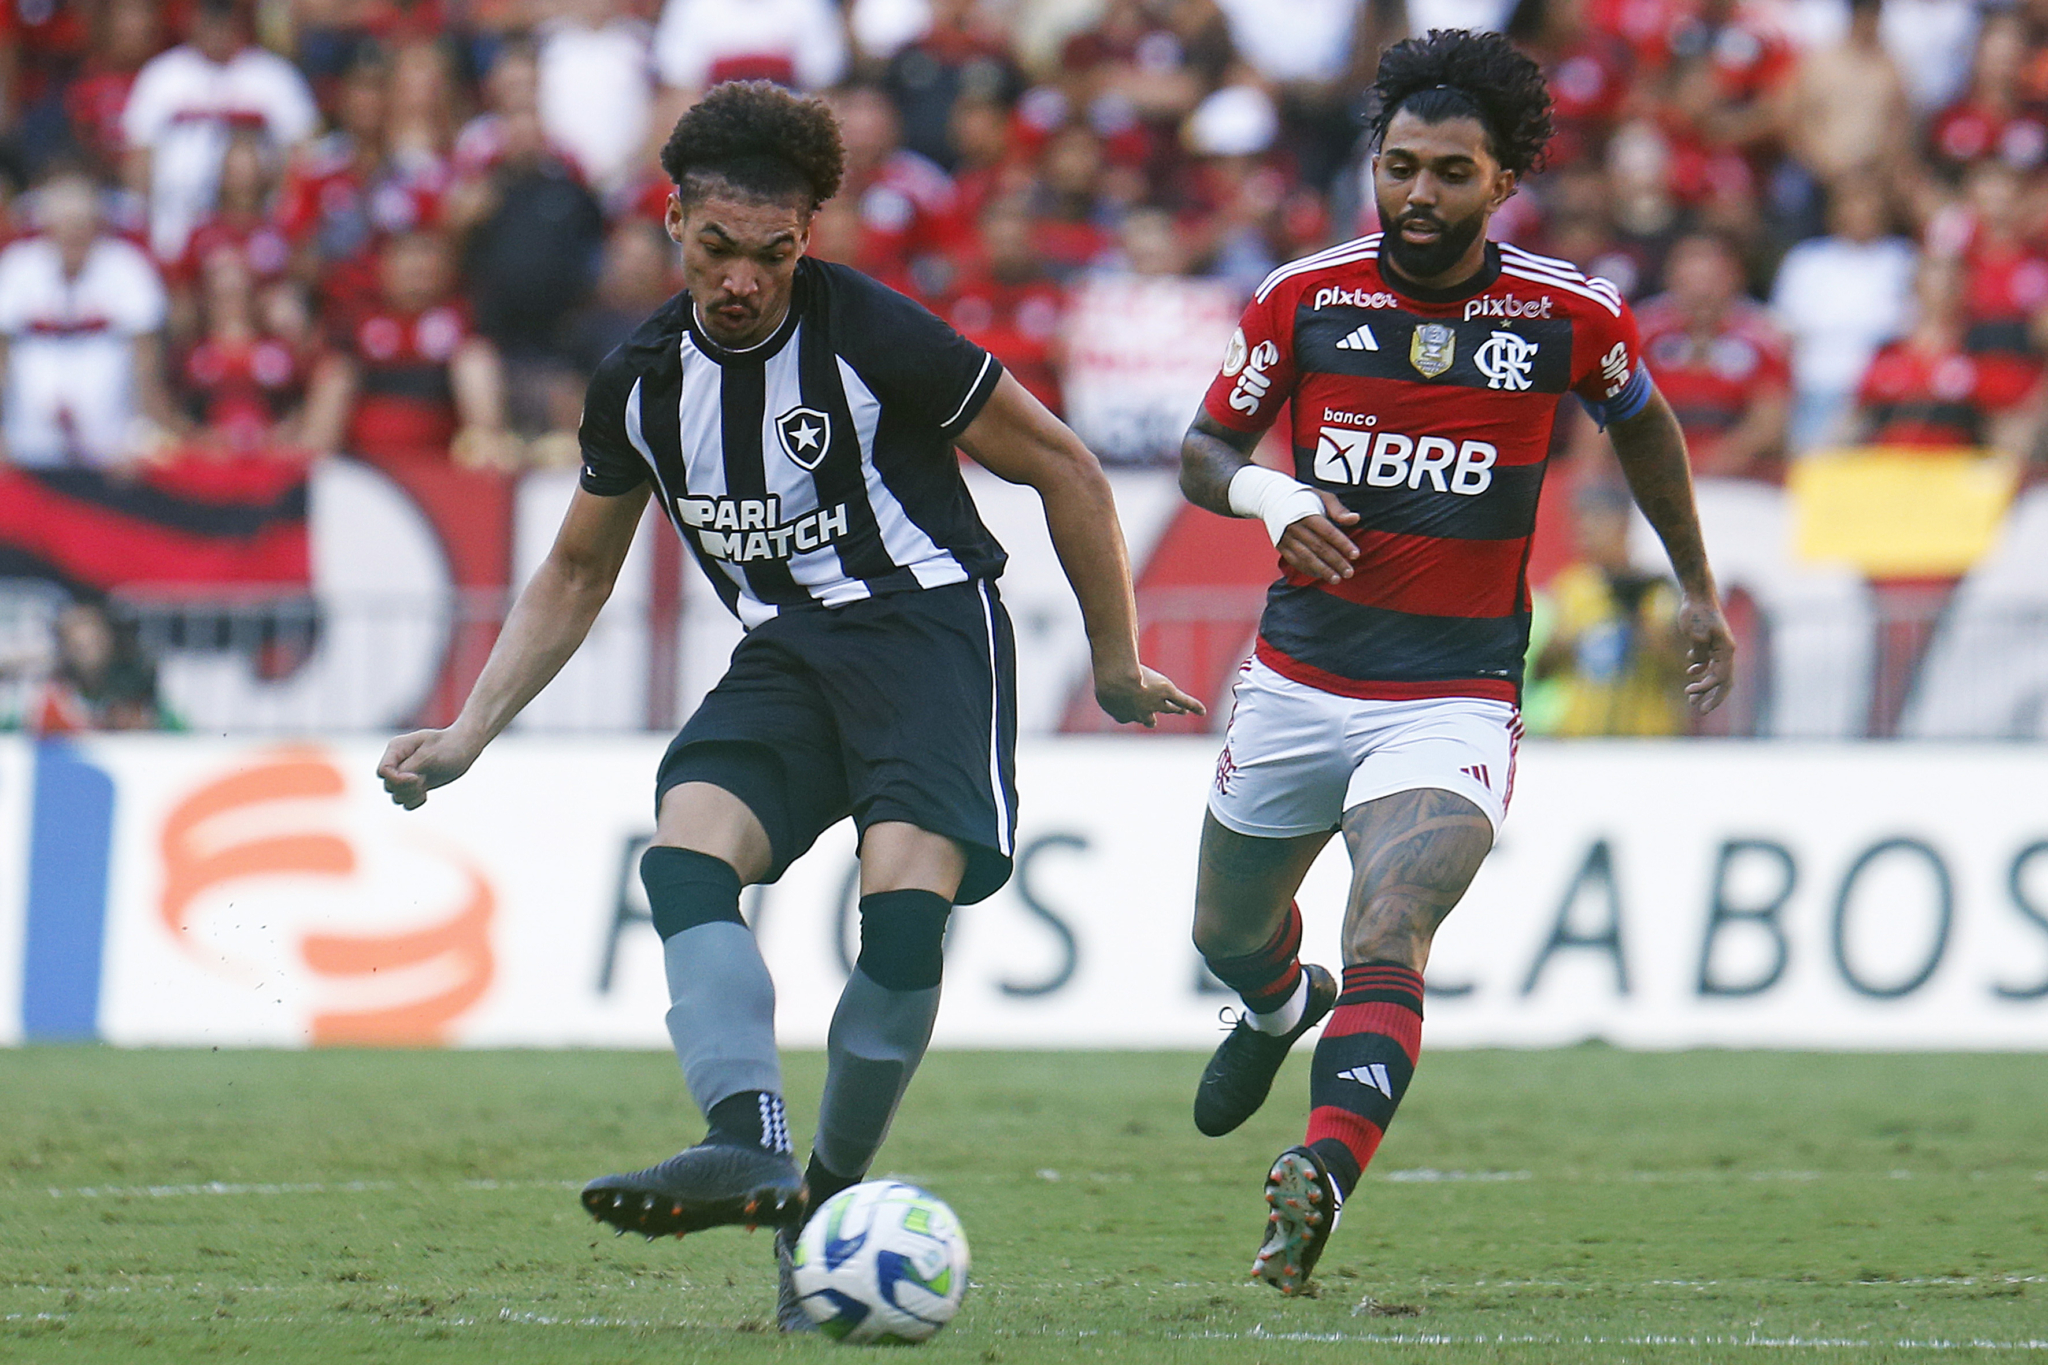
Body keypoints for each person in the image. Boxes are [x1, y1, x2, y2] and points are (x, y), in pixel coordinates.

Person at [373, 80, 1199, 1327]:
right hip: (789, 652)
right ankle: (743, 1135)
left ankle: (823, 1194)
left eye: (772, 254)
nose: (741, 280)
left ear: (804, 241)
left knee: (901, 916)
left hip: (927, 634)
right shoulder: (642, 382)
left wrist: (1118, 657)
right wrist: (469, 733)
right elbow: (579, 568)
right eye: (716, 249)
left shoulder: (876, 335)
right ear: (673, 226)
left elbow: (1067, 469)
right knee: (688, 854)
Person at [1175, 30, 1735, 1296]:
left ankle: (1316, 1177)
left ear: (1502, 183)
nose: (1416, 194)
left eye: (1448, 173)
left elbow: (1644, 433)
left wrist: (1695, 589)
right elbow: (1203, 452)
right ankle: (1275, 1005)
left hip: (1451, 697)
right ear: (1374, 163)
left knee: (1395, 918)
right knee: (1225, 932)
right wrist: (1270, 496)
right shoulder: (1303, 298)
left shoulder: (1564, 315)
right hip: (1297, 679)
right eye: (1399, 166)